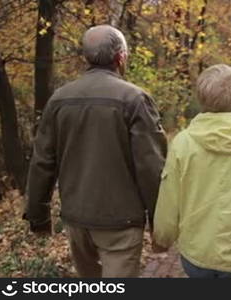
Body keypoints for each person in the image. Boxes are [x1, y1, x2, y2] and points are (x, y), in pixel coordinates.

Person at [24, 25, 167, 277]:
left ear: (85, 57)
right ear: (120, 57)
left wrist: (38, 215)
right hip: (121, 223)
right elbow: (151, 166)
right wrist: (160, 222)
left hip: (76, 219)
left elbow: (42, 161)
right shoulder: (135, 100)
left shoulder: (58, 99)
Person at [153, 64, 231, 278]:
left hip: (197, 254)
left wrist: (162, 239)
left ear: (201, 97)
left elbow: (169, 197)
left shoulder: (183, 142)